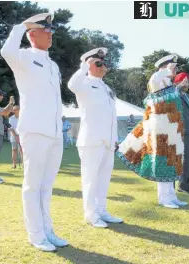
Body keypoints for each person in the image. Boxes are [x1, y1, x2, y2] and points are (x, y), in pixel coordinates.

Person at [1, 13, 68, 252]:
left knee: (46, 186)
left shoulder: (52, 64)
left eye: (51, 31)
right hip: (35, 129)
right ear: (32, 34)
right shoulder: (23, 57)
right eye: (45, 30)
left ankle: (48, 230)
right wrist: (21, 25)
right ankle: (36, 234)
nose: (50, 34)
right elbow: (6, 51)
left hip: (54, 132)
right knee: (32, 185)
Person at [116, 54, 188, 209]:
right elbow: (154, 80)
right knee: (162, 163)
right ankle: (164, 198)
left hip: (172, 130)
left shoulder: (169, 83)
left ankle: (171, 195)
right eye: (173, 67)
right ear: (164, 67)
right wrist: (165, 70)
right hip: (161, 131)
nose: (175, 70)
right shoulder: (156, 81)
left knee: (173, 163)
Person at [68, 48, 123, 228]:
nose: (102, 66)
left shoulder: (105, 87)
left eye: (103, 63)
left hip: (107, 141)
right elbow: (72, 85)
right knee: (90, 179)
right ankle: (91, 214)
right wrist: (85, 65)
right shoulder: (84, 83)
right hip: (91, 140)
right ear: (89, 65)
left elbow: (111, 116)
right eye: (98, 63)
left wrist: (114, 139)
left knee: (104, 178)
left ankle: (102, 210)